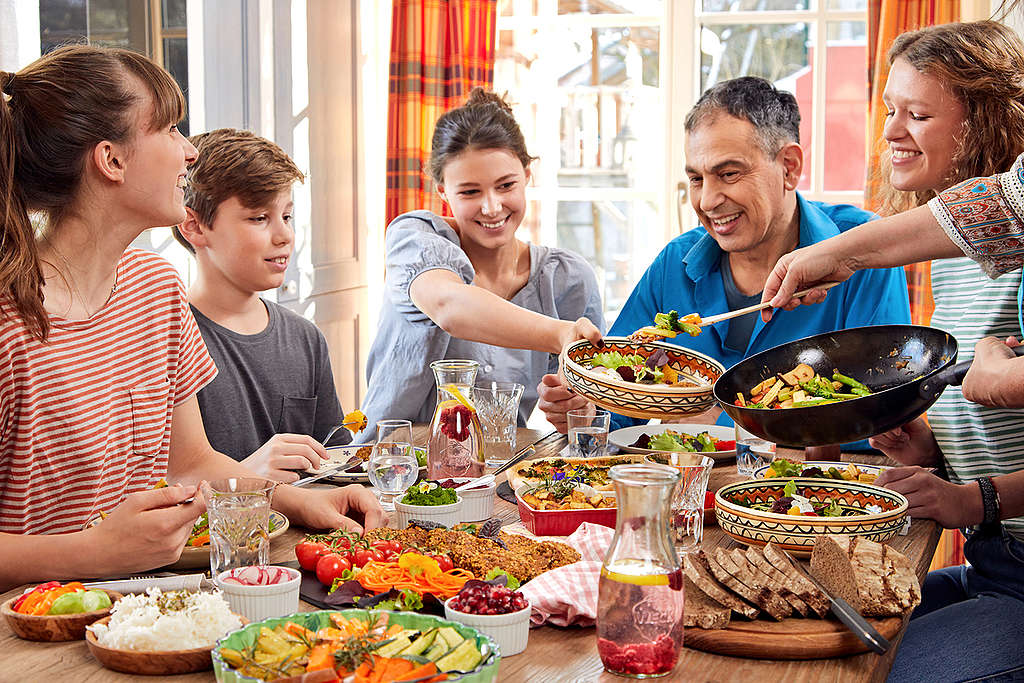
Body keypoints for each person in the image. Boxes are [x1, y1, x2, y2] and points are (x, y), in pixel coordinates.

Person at [0, 45, 382, 590]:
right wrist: (93, 552)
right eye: (171, 129)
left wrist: (300, 501)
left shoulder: (154, 288)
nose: (189, 153)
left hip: (147, 612)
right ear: (112, 161)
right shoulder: (8, 319)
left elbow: (193, 462)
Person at [764, 23, 1024, 683]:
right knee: (810, 633)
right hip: (994, 562)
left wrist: (975, 500)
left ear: (984, 124)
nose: (891, 132)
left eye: (919, 113)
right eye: (889, 111)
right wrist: (932, 448)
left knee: (876, 673)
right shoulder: (950, 252)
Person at [537, 77, 911, 444]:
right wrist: (586, 412)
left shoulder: (862, 250)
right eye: (696, 179)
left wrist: (731, 421)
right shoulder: (675, 263)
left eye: (728, 174)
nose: (707, 201)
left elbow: (887, 416)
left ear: (790, 168)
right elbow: (618, 402)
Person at [360, 88, 604, 439]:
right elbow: (450, 305)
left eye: (506, 185)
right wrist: (559, 333)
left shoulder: (567, 279)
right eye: (470, 192)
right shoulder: (415, 239)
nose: (491, 207)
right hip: (394, 469)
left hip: (498, 470)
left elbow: (588, 410)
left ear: (527, 174)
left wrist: (575, 407)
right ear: (442, 191)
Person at [172, 128, 350, 483]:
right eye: (259, 218)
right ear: (194, 226)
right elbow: (163, 485)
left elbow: (336, 461)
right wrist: (244, 477)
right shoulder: (168, 339)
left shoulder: (305, 338)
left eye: (286, 216)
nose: (284, 235)